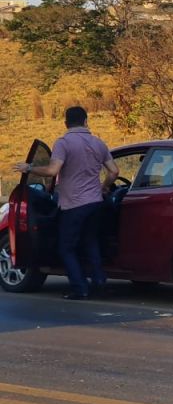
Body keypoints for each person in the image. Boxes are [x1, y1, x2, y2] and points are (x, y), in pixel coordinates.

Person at [14, 106, 119, 300]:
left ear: (65, 123)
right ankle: (99, 283)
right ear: (86, 121)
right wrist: (104, 187)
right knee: (90, 242)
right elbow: (114, 171)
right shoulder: (98, 143)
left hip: (73, 204)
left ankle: (80, 288)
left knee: (66, 247)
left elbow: (53, 171)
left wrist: (29, 167)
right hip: (95, 202)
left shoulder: (63, 143)